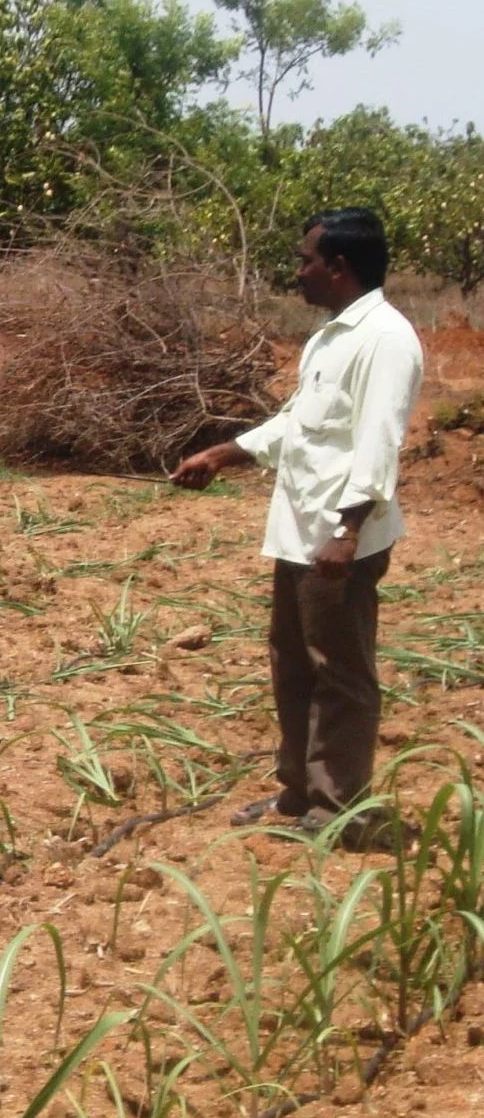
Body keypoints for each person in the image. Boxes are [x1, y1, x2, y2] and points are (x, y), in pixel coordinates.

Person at [172, 208, 422, 850]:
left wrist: (348, 531)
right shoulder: (329, 337)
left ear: (338, 266)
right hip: (299, 528)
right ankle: (297, 789)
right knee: (292, 660)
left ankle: (337, 801)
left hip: (339, 536)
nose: (298, 272)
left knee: (338, 667)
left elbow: (378, 442)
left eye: (305, 260)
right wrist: (225, 453)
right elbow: (297, 423)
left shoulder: (384, 339)